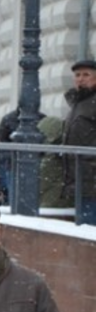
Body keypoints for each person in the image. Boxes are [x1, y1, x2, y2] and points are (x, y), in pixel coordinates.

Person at [62, 59, 96, 222]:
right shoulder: (79, 103)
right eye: (77, 75)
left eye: (86, 75)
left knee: (88, 227)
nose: (80, 79)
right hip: (80, 177)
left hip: (90, 177)